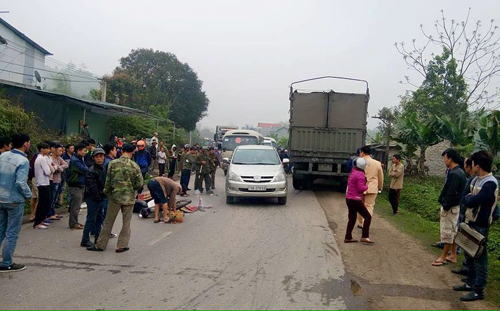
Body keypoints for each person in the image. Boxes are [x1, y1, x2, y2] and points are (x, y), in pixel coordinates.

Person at [453, 150, 498, 301]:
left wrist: (470, 198)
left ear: (477, 166)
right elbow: (467, 197)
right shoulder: (476, 180)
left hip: (480, 224)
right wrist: (470, 198)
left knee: (479, 257)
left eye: (473, 164)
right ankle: (469, 283)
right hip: (470, 221)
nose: (472, 166)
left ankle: (479, 290)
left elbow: (474, 200)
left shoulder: (490, 183)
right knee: (469, 253)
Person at [88, 144, 143, 253]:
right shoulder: (134, 165)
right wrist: (132, 189)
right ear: (132, 153)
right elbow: (139, 183)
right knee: (126, 223)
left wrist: (107, 192)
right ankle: (121, 245)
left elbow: (107, 181)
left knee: (108, 221)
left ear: (122, 151)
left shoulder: (112, 164)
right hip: (129, 198)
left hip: (114, 197)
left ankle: (100, 245)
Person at [0, 133, 31, 272]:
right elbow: (20, 183)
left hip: (1, 198)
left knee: (0, 230)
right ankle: (6, 262)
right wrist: (28, 195)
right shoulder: (23, 161)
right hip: (14, 201)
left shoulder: (3, 156)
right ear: (25, 143)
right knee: (12, 233)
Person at [432, 148, 466, 266]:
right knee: (453, 231)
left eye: (445, 158)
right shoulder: (460, 172)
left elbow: (452, 192)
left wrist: (445, 205)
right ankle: (453, 255)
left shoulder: (454, 173)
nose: (444, 160)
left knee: (447, 232)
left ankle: (443, 256)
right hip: (456, 206)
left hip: (451, 207)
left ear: (450, 159)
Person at [81, 148, 107, 248]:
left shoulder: (102, 168)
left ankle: (98, 237)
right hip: (93, 198)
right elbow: (92, 187)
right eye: (97, 157)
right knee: (91, 219)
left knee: (99, 218)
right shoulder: (91, 171)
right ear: (94, 158)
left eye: (101, 156)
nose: (100, 159)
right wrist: (98, 197)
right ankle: (85, 239)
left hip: (100, 197)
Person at [345, 157, 374, 244]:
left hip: (349, 198)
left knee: (352, 218)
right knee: (368, 217)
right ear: (363, 166)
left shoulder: (353, 172)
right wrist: (367, 186)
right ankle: (365, 236)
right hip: (356, 200)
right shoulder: (361, 175)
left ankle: (348, 237)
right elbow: (361, 188)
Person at [357, 146, 384, 228]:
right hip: (372, 188)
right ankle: (366, 222)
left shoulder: (359, 162)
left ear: (362, 153)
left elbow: (355, 176)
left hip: (360, 188)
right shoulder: (377, 163)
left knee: (360, 206)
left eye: (360, 152)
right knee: (369, 206)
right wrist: (380, 187)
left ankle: (360, 223)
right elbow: (380, 177)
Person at [66, 143, 88, 230]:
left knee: (76, 204)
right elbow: (85, 169)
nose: (85, 152)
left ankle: (75, 222)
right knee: (75, 205)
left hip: (79, 184)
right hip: (75, 185)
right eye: (84, 151)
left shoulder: (79, 159)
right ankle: (73, 223)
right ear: (78, 150)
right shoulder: (75, 160)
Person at [33, 142, 54, 230]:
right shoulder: (41, 159)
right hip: (43, 183)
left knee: (45, 202)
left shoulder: (39, 158)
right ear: (42, 149)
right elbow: (48, 172)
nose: (49, 150)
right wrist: (51, 167)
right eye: (47, 148)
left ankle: (41, 220)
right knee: (42, 203)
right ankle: (37, 222)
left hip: (43, 183)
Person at [48, 144, 68, 220]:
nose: (61, 152)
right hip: (53, 180)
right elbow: (52, 169)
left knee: (55, 198)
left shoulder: (59, 158)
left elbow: (66, 165)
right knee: (52, 198)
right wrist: (58, 168)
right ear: (54, 150)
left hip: (59, 180)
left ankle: (53, 213)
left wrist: (58, 167)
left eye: (62, 150)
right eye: (59, 150)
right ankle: (50, 214)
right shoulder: (50, 158)